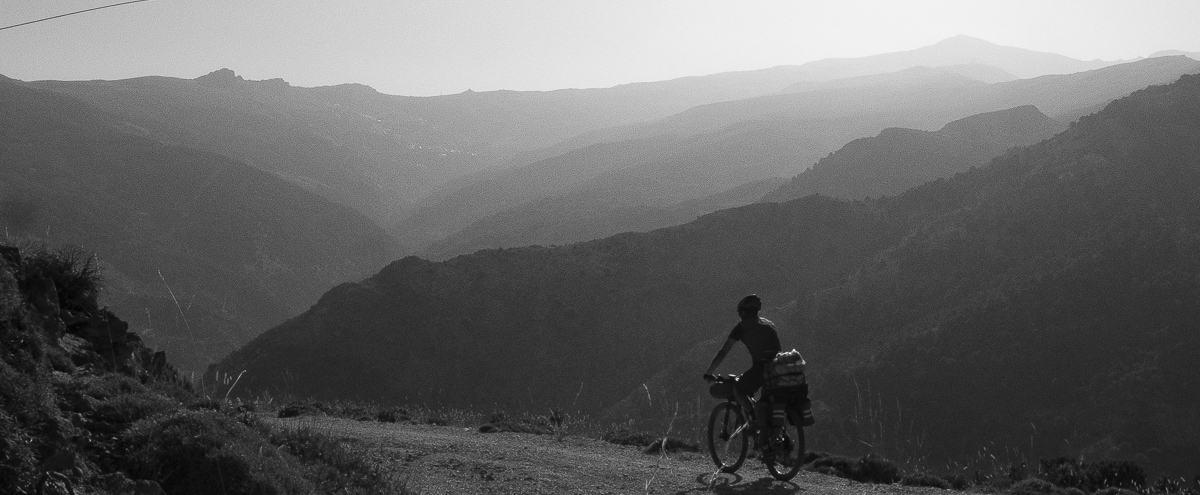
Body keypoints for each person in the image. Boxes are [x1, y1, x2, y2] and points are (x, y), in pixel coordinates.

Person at [703, 294, 781, 441]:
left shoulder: (742, 327)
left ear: (742, 312)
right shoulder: (769, 323)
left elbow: (723, 352)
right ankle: (768, 437)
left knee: (738, 390)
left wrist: (709, 372)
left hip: (762, 368)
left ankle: (754, 420)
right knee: (765, 401)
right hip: (779, 368)